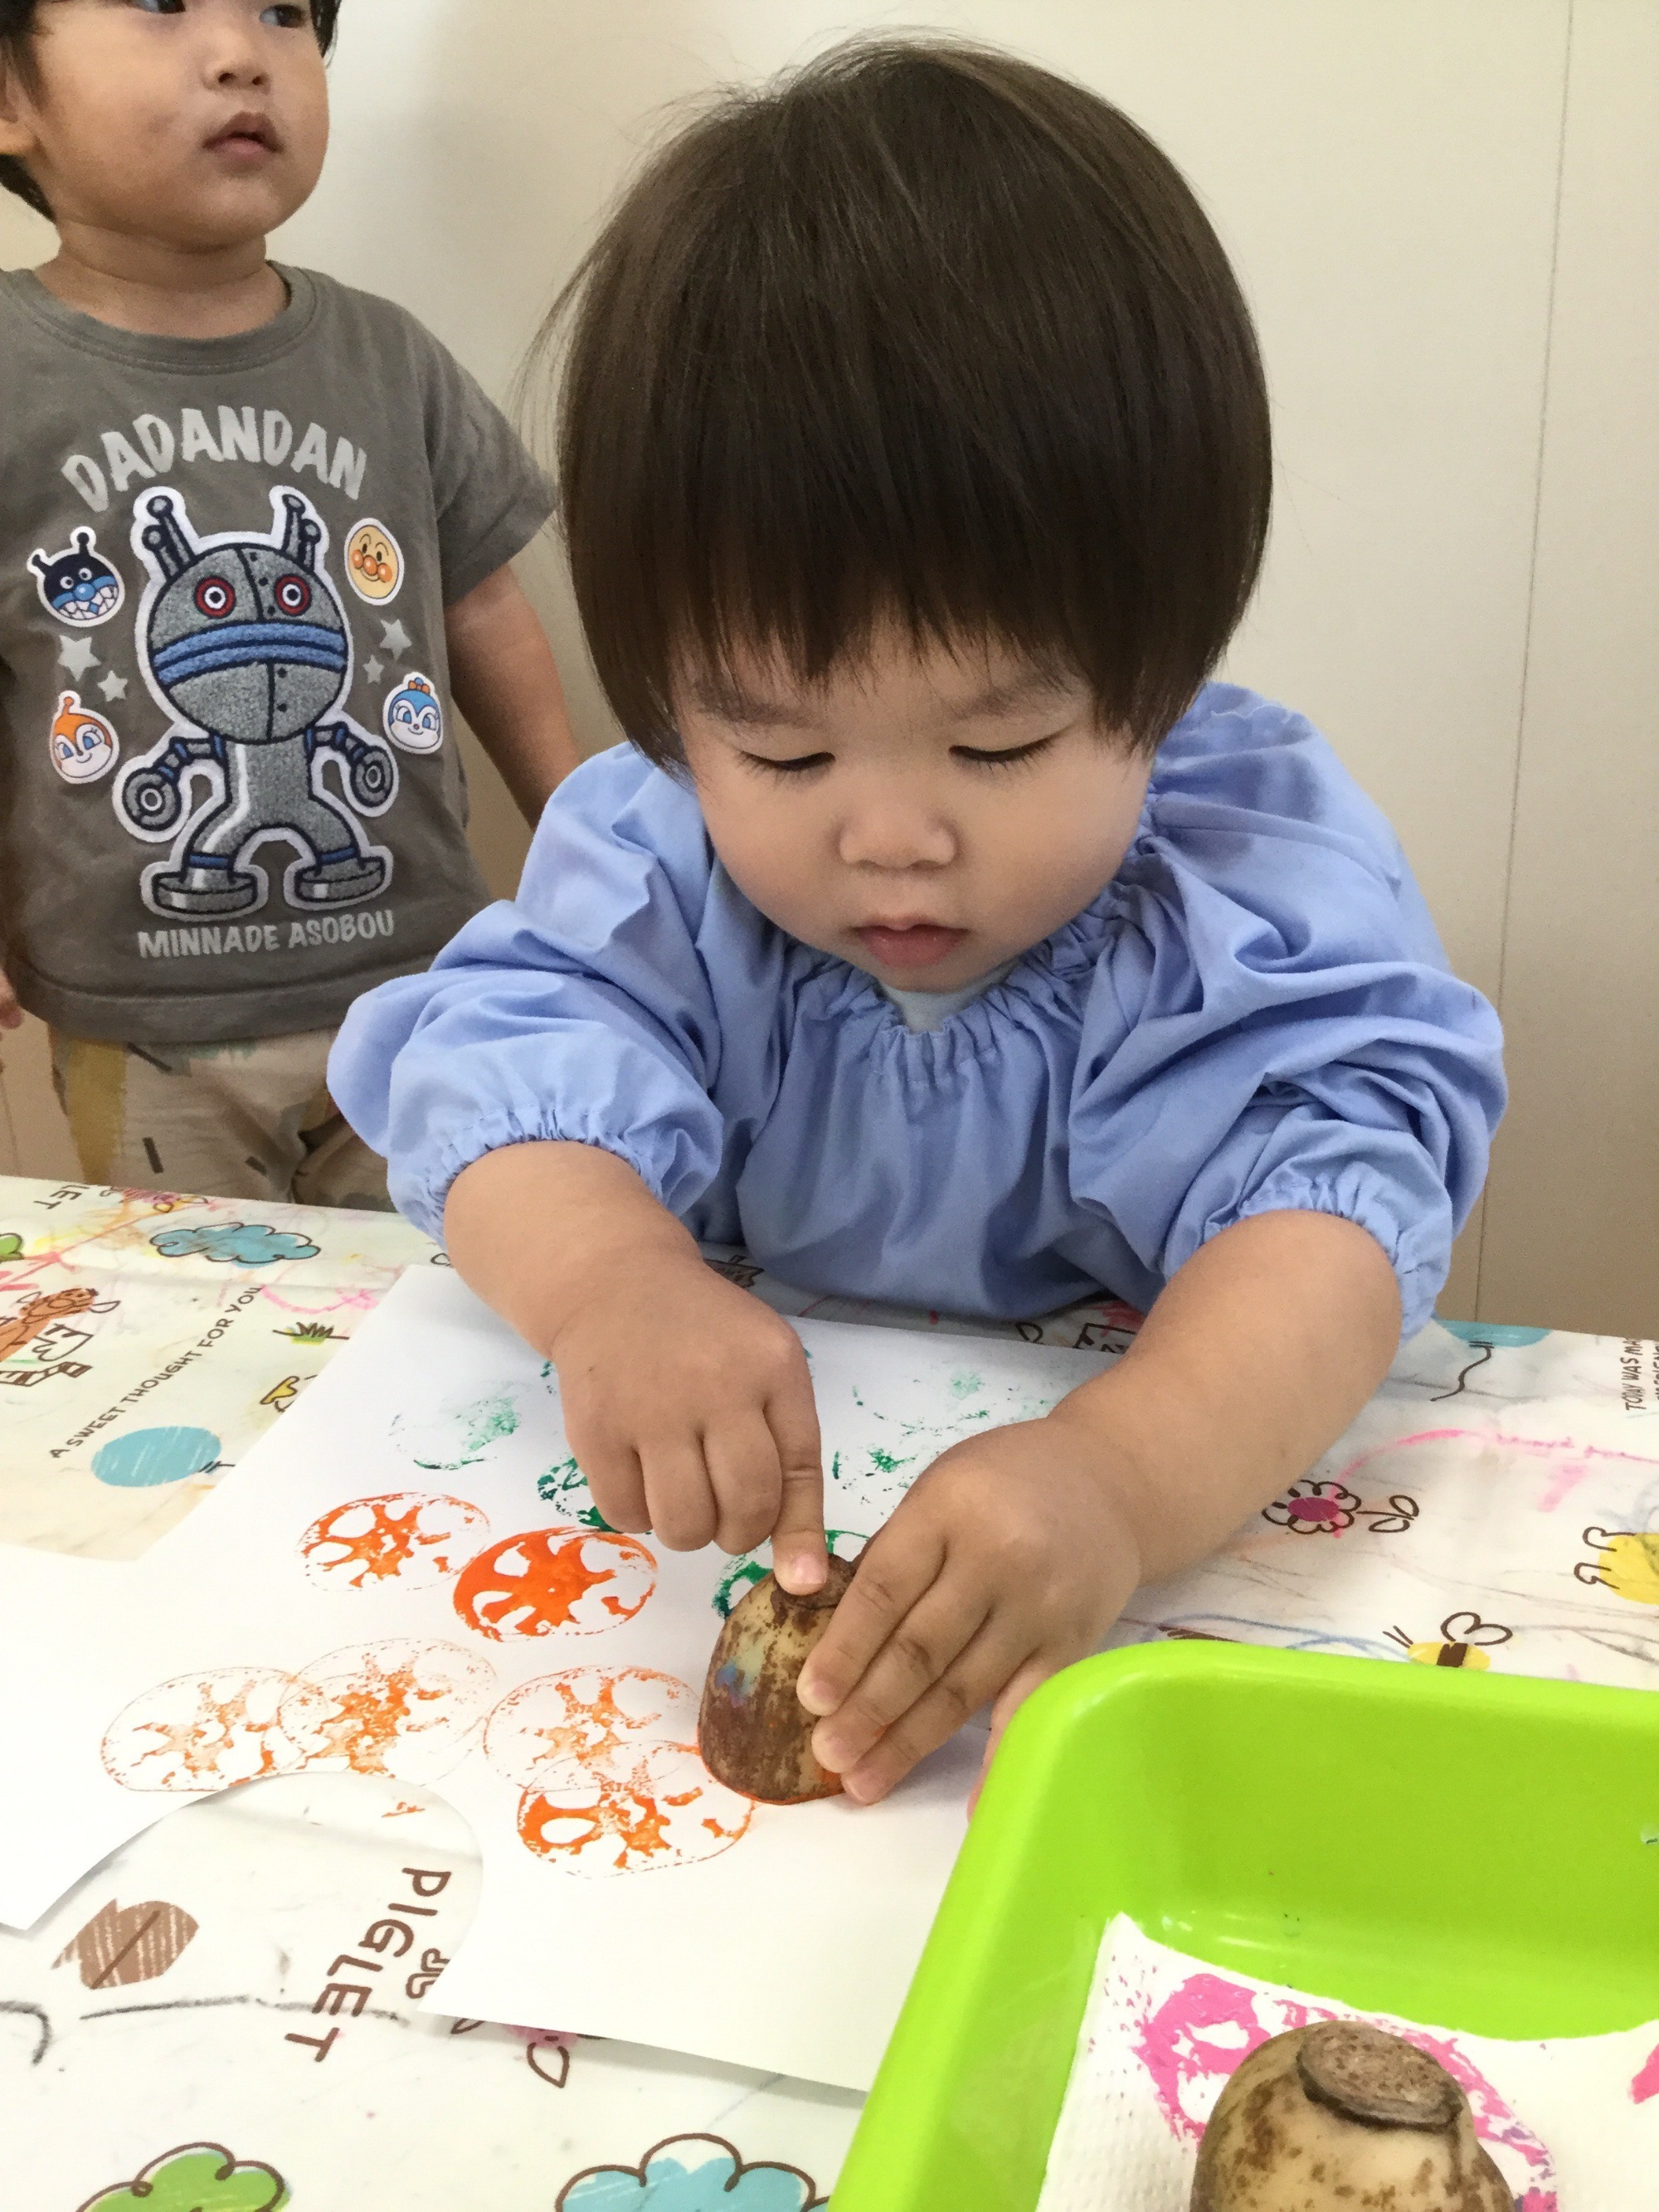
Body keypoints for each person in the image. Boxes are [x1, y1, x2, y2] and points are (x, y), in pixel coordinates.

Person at [331, 41, 1506, 1801]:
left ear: (1164, 676)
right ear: (671, 704)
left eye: (1000, 743)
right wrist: (610, 1282)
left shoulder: (1237, 881)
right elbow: (503, 1074)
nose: (891, 838)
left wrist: (1123, 1476)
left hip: (1113, 1505)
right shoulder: (660, 856)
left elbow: (1333, 1216)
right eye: (782, 748)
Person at [0, 0, 578, 1207]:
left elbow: (481, 608)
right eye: (161, 5)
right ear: (11, 96)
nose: (239, 55)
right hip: (141, 1016)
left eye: (281, 12)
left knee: (439, 1283)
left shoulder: (387, 356)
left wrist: (583, 836)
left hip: (419, 984)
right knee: (196, 1295)